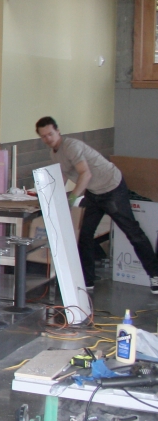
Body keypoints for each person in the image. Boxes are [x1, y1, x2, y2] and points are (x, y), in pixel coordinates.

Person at [35, 117, 158, 292]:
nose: (48, 139)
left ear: (58, 131)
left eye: (50, 134)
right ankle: (87, 280)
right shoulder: (54, 153)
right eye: (44, 136)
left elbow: (85, 174)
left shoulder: (71, 146)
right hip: (93, 193)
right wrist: (54, 197)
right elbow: (63, 174)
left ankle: (155, 275)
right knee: (84, 234)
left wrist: (71, 199)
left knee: (132, 232)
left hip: (111, 188)